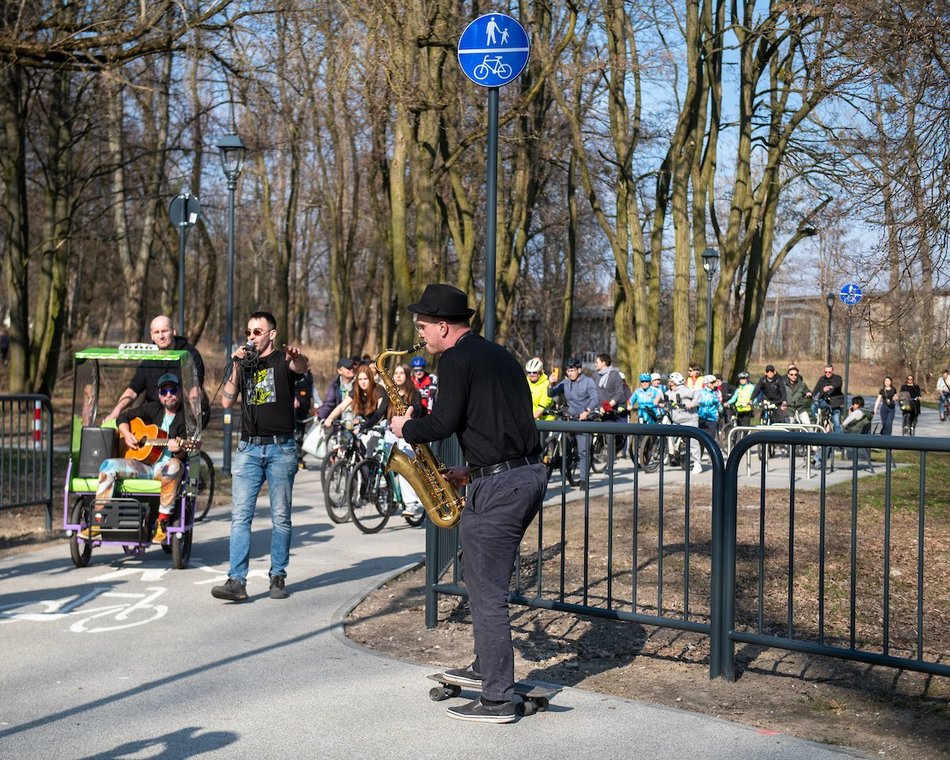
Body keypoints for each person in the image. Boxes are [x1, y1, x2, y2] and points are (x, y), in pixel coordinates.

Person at [389, 283, 546, 724]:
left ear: (443, 326)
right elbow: (500, 423)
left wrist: (405, 427)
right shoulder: (500, 355)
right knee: (483, 582)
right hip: (520, 475)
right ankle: (485, 668)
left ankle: (497, 698)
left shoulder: (455, 359)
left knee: (486, 591)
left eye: (423, 327)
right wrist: (473, 472)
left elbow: (441, 423)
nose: (420, 335)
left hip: (501, 487)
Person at [212, 311, 308, 603]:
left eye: (257, 331)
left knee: (280, 517)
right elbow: (226, 400)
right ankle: (236, 581)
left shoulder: (282, 360)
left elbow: (300, 365)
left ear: (272, 334)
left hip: (281, 448)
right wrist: (237, 366)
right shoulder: (245, 364)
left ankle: (277, 576)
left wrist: (295, 356)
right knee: (240, 516)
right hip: (249, 449)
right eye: (248, 332)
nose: (251, 336)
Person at [94, 373, 189, 543]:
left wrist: (178, 449)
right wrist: (127, 433)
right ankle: (98, 520)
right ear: (159, 394)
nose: (168, 395)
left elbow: (187, 452)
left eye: (172, 390)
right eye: (164, 391)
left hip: (165, 468)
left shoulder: (186, 418)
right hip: (144, 466)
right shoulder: (153, 408)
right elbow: (123, 417)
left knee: (173, 465)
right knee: (108, 465)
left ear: (179, 392)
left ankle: (162, 522)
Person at [106, 315, 207, 423]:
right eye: (156, 332)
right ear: (152, 336)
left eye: (164, 331)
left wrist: (192, 420)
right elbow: (133, 389)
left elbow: (194, 389)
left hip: (181, 410)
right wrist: (116, 410)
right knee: (125, 420)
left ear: (173, 331)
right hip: (155, 412)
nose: (161, 336)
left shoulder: (190, 354)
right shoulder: (149, 357)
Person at [548, 357, 600, 487]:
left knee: (583, 451)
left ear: (579, 370)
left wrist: (587, 411)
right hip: (569, 417)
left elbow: (595, 399)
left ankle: (583, 479)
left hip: (583, 419)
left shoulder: (588, 382)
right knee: (557, 434)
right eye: (568, 371)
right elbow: (551, 394)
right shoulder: (565, 383)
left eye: (572, 370)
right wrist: (550, 384)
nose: (569, 373)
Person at [383, 363, 426, 519]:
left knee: (403, 462)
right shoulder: (388, 394)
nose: (398, 376)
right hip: (392, 433)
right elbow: (380, 412)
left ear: (407, 376)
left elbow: (418, 411)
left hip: (409, 435)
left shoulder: (415, 394)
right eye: (395, 373)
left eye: (402, 373)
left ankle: (411, 503)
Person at [666, 371, 703, 474]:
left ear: (675, 382)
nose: (669, 382)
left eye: (671, 380)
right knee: (667, 433)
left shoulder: (684, 390)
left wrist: (692, 403)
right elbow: (662, 398)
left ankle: (697, 464)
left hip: (689, 419)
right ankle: (670, 454)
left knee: (693, 442)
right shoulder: (669, 392)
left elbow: (697, 393)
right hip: (675, 420)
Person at [316, 357, 356, 421]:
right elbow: (328, 403)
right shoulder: (335, 385)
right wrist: (320, 417)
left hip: (357, 423)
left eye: (352, 367)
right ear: (340, 371)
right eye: (348, 368)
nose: (351, 369)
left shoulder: (359, 383)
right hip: (340, 422)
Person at [293, 369, 317, 469]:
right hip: (294, 410)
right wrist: (293, 398)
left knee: (301, 435)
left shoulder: (309, 376)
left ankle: (299, 459)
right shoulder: (294, 373)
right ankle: (295, 459)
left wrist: (317, 404)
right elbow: (289, 387)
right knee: (294, 435)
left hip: (304, 409)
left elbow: (312, 391)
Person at [811, 364, 844, 433]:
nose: (827, 374)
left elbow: (837, 384)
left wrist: (830, 387)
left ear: (832, 371)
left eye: (829, 372)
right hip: (825, 402)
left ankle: (838, 440)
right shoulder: (822, 379)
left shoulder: (837, 378)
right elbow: (816, 390)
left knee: (836, 422)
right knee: (814, 406)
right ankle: (817, 420)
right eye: (826, 372)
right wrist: (812, 394)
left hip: (835, 403)